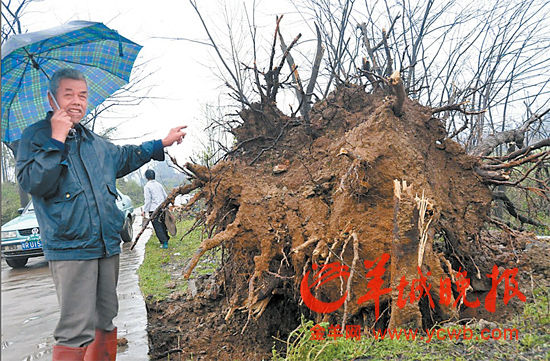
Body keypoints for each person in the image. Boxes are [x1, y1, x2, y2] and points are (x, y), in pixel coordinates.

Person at [16, 68, 186, 361]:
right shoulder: (35, 137)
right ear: (51, 98)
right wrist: (56, 140)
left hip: (106, 245)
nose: (77, 101)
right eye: (68, 94)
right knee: (75, 329)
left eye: (82, 95)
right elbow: (34, 183)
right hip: (70, 247)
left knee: (105, 319)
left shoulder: (93, 142)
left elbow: (126, 155)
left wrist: (161, 143)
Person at [142, 169, 170, 248]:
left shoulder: (147, 186)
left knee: (158, 226)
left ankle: (164, 243)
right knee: (163, 224)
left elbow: (148, 200)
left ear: (146, 177)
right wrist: (167, 206)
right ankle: (166, 239)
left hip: (153, 210)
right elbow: (165, 196)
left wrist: (145, 211)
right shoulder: (159, 185)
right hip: (162, 208)